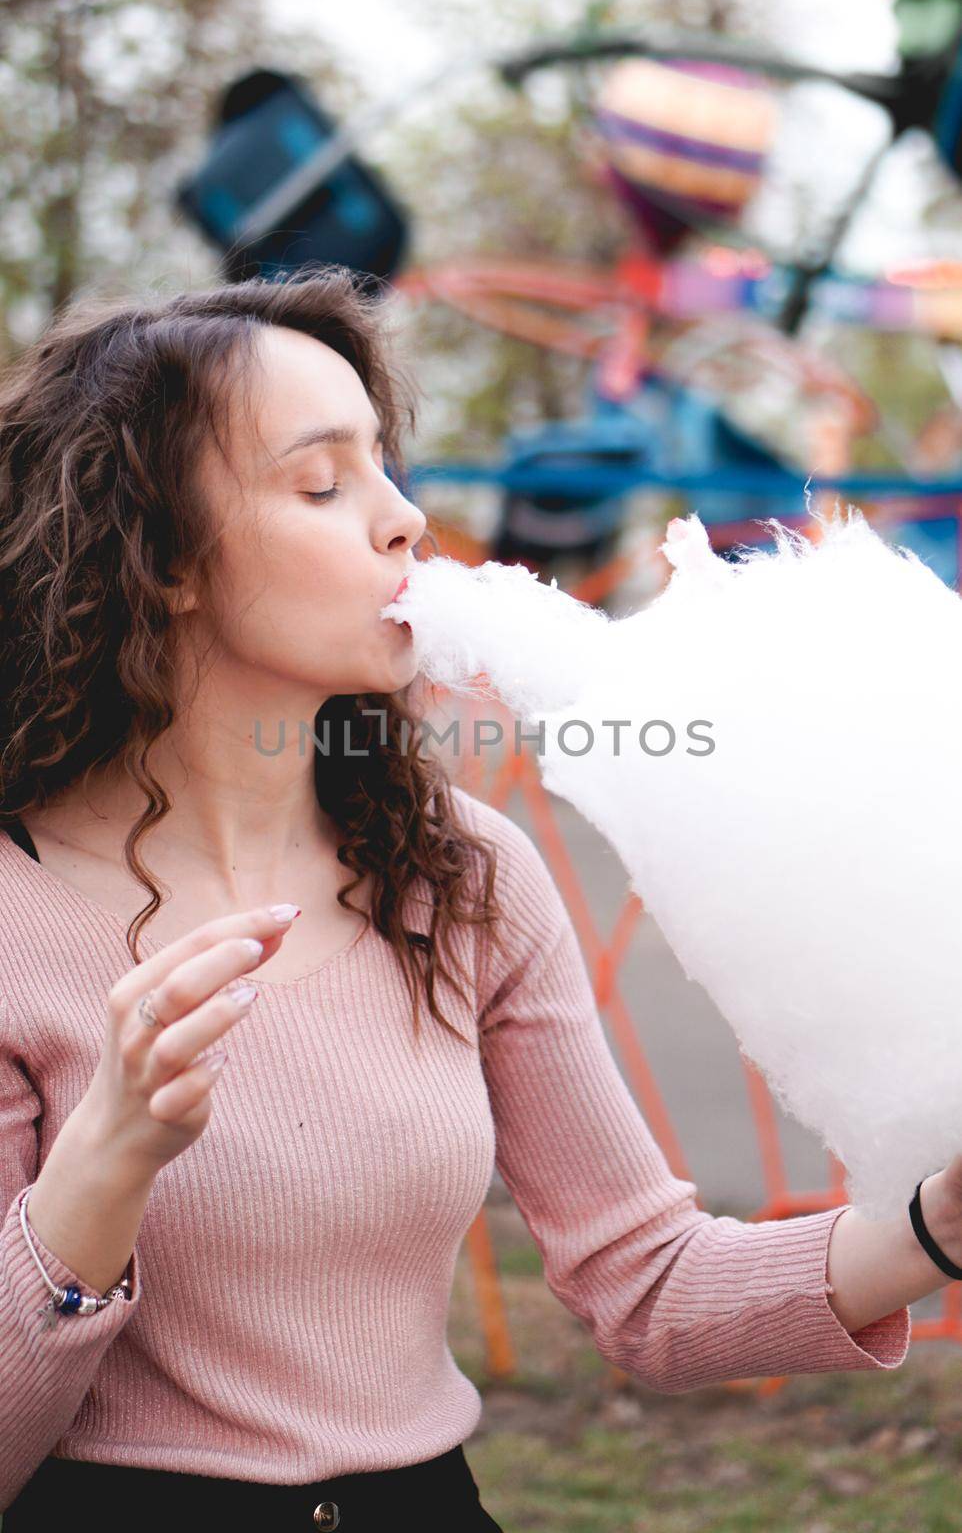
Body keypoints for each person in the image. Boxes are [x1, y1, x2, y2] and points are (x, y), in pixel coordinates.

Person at [0, 265, 959, 1530]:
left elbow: (647, 1285)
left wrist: (931, 1228)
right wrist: (105, 1160)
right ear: (164, 556)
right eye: (322, 482)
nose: (404, 519)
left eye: (389, 468)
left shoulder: (461, 876)